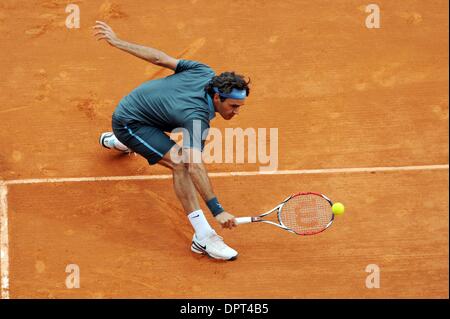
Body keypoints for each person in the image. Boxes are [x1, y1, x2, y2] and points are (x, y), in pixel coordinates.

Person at [93, 21, 250, 261]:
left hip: (146, 109)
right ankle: (203, 237)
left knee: (173, 146)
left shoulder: (205, 72)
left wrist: (117, 41)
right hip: (130, 122)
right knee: (181, 163)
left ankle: (122, 143)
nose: (237, 112)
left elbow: (159, 59)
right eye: (234, 106)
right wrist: (217, 209)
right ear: (217, 97)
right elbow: (194, 165)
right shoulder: (196, 118)